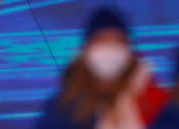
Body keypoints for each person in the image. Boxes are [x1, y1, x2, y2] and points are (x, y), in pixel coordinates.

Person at [36, 7, 170, 128]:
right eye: (101, 41)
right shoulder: (62, 107)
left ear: (129, 51)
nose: (109, 49)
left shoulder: (156, 103)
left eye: (117, 41)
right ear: (86, 50)